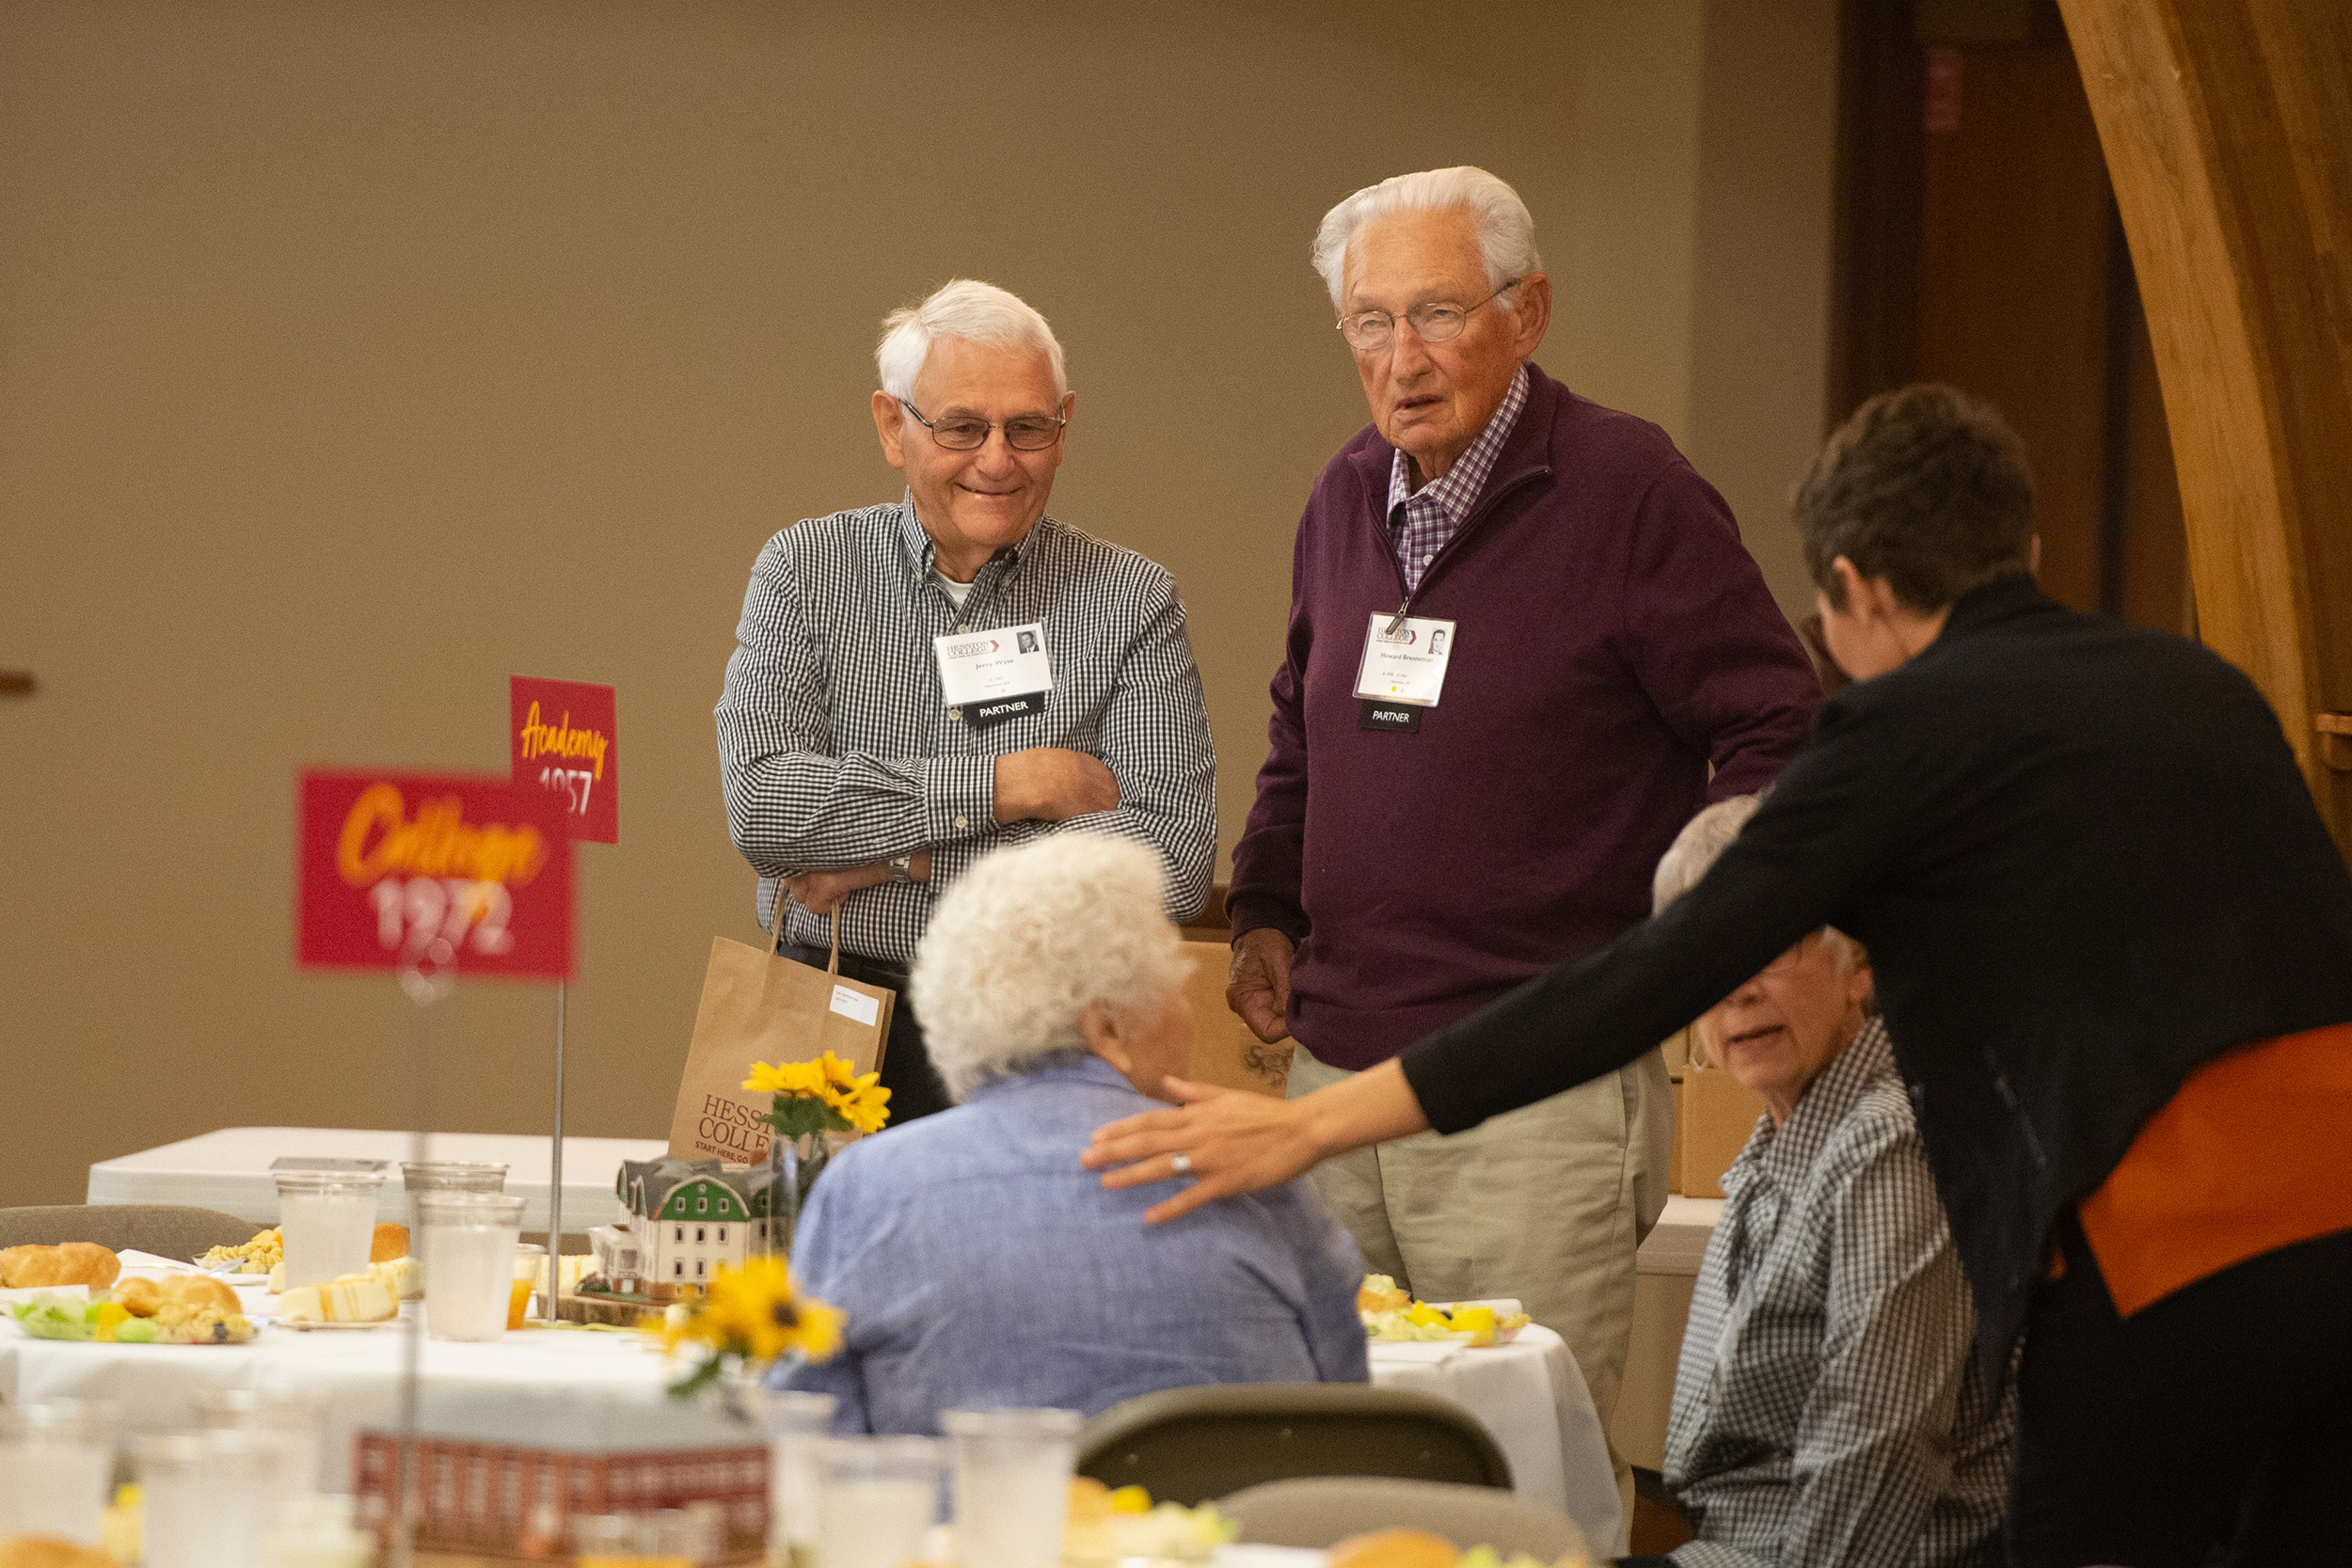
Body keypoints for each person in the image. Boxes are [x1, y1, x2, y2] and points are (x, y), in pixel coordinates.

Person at [1089, 384, 2352, 1567]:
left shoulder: (1906, 726)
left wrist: (1314, 1117)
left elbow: (1648, 975)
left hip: (2158, 1265)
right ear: (2013, 538)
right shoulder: (2199, 685)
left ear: (1855, 588)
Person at [1221, 166, 1821, 1474]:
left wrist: (1689, 930)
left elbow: (1779, 723)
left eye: (1438, 313)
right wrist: (1266, 904)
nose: (1403, 357)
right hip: (1337, 1081)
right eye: (1371, 321)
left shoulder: (1626, 488)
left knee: (1509, 1488)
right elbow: (1299, 721)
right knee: (1324, 1472)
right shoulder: (1343, 492)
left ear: (1528, 310)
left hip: (1539, 1093)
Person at [716, 278, 1217, 1122]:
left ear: (1063, 426)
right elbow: (766, 808)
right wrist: (1010, 786)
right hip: (829, 1020)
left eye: (1027, 428)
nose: (997, 459)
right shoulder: (805, 569)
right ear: (892, 425)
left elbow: (1171, 859)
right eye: (961, 427)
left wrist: (900, 860)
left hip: (1047, 1049)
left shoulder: (1132, 597)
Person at [776, 833, 1369, 1433]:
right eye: (1175, 991)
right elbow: (1344, 1411)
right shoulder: (1255, 1176)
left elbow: (809, 1436)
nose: (1190, 1016)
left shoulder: (865, 1189)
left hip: (966, 1525)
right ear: (1106, 1027)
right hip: (1229, 1524)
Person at [1632, 797, 2011, 1568]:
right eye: (1706, 954)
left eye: (1769, 945)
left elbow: (1880, 1447)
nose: (1735, 989)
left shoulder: (1893, 1137)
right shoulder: (1791, 1129)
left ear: (1858, 963)